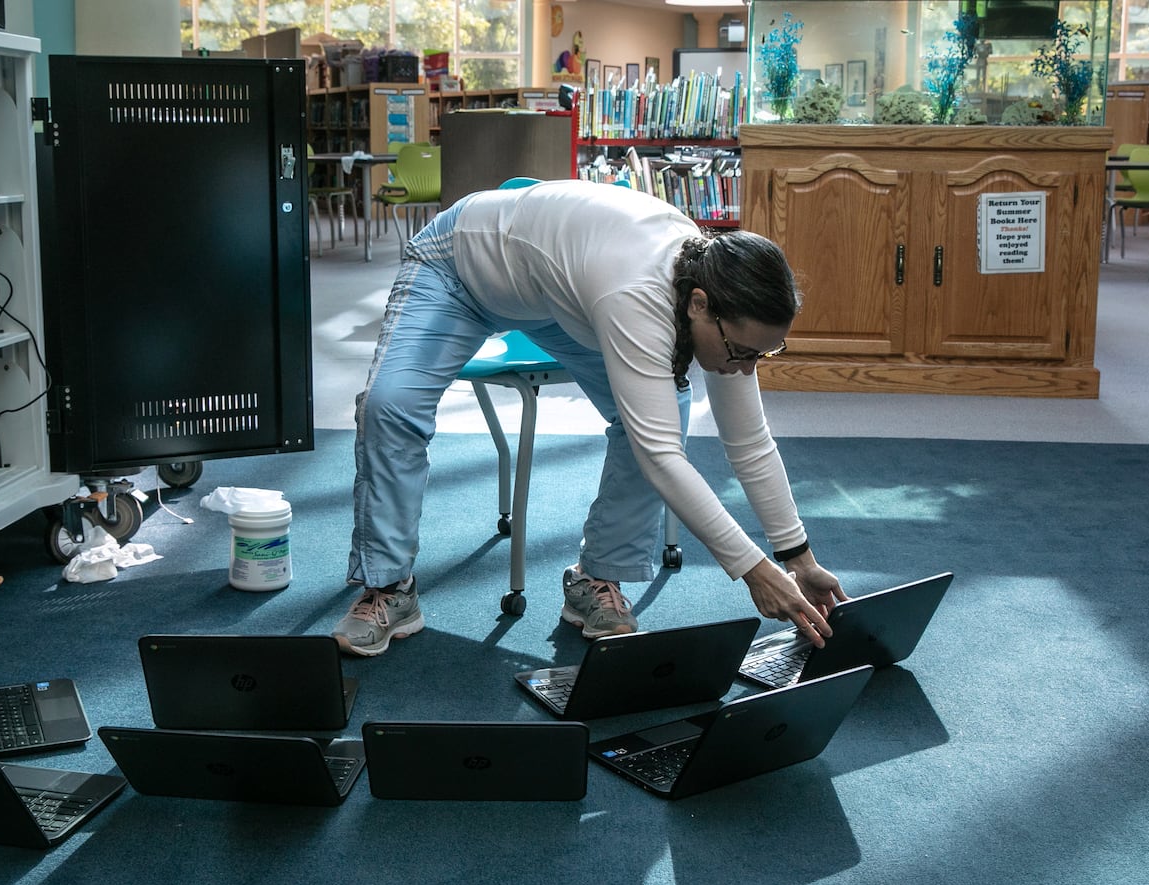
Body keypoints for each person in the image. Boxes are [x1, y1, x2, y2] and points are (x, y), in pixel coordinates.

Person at [335, 179, 846, 657]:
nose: (745, 368)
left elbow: (749, 442)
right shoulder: (636, 293)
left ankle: (595, 578)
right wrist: (754, 571)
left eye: (763, 354)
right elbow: (662, 459)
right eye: (742, 350)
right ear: (699, 305)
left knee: (661, 412)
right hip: (456, 270)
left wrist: (798, 558)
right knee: (389, 407)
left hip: (552, 301)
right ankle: (388, 585)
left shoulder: (718, 292)